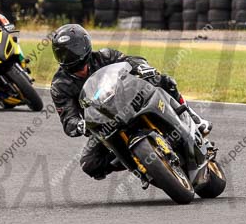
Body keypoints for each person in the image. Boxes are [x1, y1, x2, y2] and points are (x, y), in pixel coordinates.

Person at [50, 23, 211, 181]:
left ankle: (193, 118)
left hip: (132, 100)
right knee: (89, 163)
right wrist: (79, 125)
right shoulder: (60, 85)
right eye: (63, 53)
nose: (70, 56)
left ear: (85, 45)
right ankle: (135, 161)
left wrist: (141, 67)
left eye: (74, 49)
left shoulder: (104, 56)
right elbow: (68, 119)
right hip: (103, 123)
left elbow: (130, 60)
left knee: (163, 80)